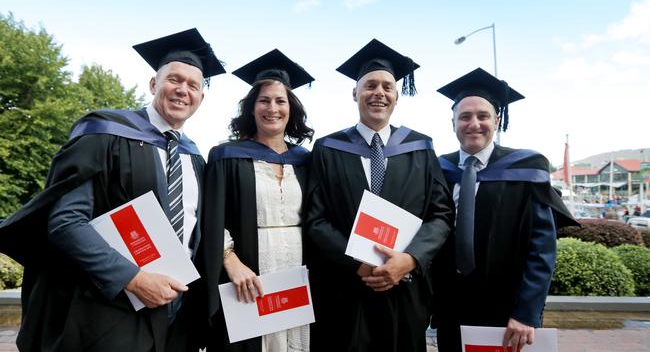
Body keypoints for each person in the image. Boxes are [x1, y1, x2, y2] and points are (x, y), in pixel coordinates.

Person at [0, 28, 225, 351]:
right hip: (109, 308)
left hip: (177, 318)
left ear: (201, 98)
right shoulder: (105, 133)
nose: (182, 90)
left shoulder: (195, 157)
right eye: (174, 79)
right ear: (153, 84)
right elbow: (66, 222)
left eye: (193, 85)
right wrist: (133, 279)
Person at [304, 39, 455, 352]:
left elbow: (441, 215)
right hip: (345, 291)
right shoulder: (328, 148)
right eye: (370, 85)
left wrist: (409, 259)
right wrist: (357, 263)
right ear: (355, 93)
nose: (379, 93)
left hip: (405, 289)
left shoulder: (420, 148)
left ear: (397, 97)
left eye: (387, 87)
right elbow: (315, 219)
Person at [432, 68, 577, 352]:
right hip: (452, 308)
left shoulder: (526, 168)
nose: (474, 123)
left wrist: (526, 312)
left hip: (508, 311)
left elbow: (542, 248)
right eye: (465, 116)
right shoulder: (438, 169)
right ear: (453, 123)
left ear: (497, 120)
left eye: (483, 116)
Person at [198, 49, 314, 352]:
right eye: (264, 100)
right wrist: (230, 261)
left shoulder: (306, 161)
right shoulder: (226, 157)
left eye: (280, 101)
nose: (272, 108)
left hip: (297, 276)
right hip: (246, 276)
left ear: (292, 108)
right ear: (252, 108)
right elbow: (211, 218)